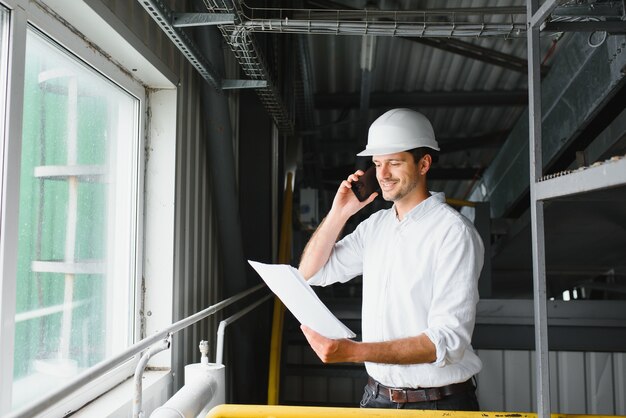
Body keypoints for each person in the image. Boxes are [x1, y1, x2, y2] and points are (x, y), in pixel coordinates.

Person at [298, 108, 484, 410]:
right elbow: (311, 272)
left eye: (394, 163)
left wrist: (353, 352)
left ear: (423, 164)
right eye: (377, 164)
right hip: (377, 398)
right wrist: (339, 213)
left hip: (438, 404)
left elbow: (447, 340)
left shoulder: (453, 232)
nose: (382, 175)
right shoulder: (375, 228)